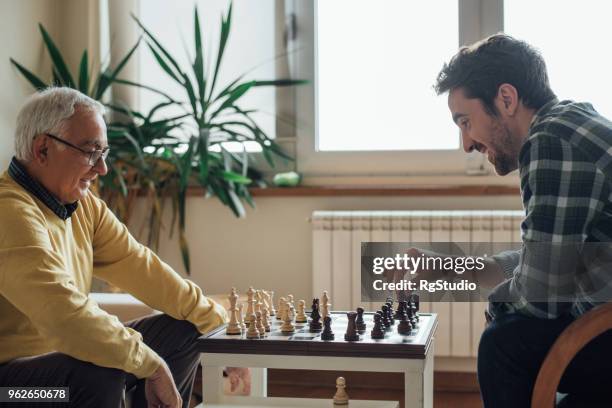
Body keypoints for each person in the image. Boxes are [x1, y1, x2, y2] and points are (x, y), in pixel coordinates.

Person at [0, 87, 228, 407]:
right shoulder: (9, 212)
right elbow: (65, 317)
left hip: (61, 368)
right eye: (90, 151)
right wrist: (152, 365)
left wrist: (219, 327)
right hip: (13, 393)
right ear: (42, 149)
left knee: (186, 330)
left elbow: (141, 266)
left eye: (103, 153)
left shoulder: (83, 207)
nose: (102, 168)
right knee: (98, 372)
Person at [431, 33, 612, 407]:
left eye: (465, 122)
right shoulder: (571, 121)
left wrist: (497, 307)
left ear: (507, 99)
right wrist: (452, 269)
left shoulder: (551, 139)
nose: (466, 144)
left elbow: (540, 298)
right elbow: (552, 262)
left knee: (505, 343)